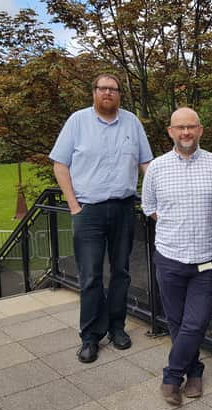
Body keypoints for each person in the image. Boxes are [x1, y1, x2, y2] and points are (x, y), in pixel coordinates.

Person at [49, 74, 153, 364]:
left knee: (121, 271)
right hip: (88, 211)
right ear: (94, 92)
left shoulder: (132, 122)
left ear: (119, 94)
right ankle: (90, 336)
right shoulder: (77, 121)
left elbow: (147, 164)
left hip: (123, 208)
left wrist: (162, 194)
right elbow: (60, 165)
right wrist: (73, 205)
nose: (108, 93)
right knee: (91, 275)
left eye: (113, 89)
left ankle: (117, 327)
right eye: (102, 88)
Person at [141, 107, 212, 406]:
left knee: (195, 322)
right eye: (180, 128)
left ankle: (171, 375)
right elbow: (149, 206)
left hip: (207, 258)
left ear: (200, 130)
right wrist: (175, 227)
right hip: (169, 258)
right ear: (170, 131)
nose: (186, 133)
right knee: (177, 322)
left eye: (191, 127)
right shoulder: (157, 168)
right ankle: (195, 370)